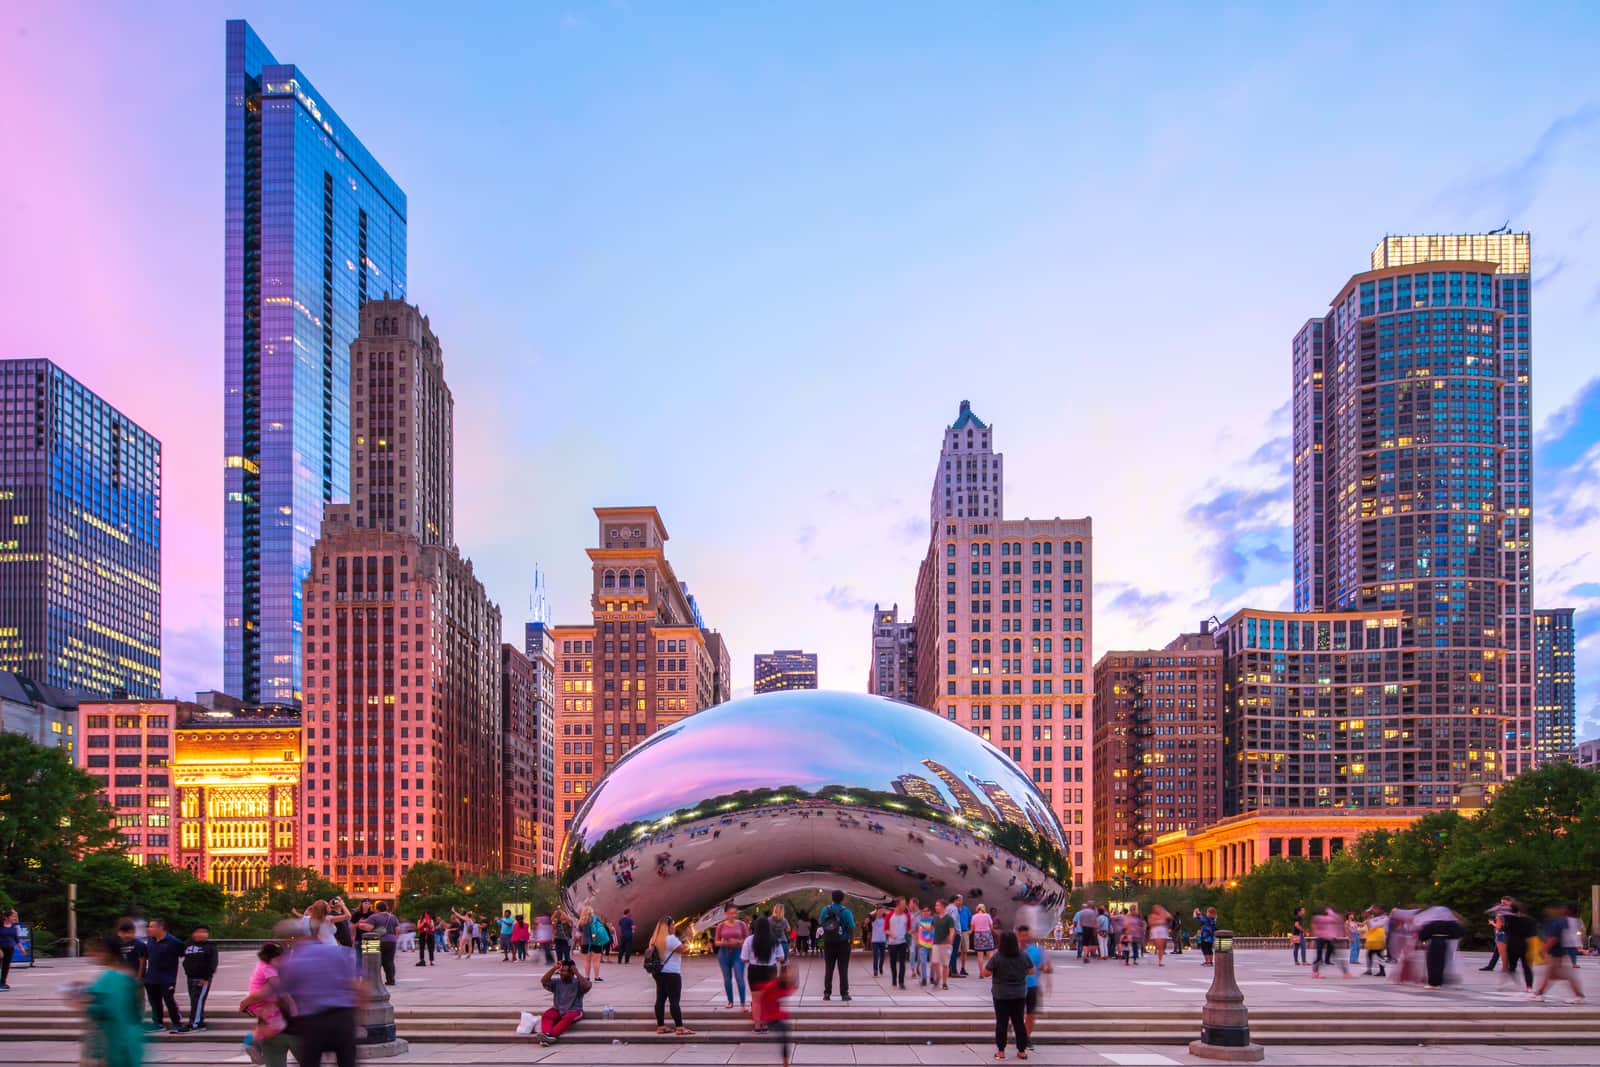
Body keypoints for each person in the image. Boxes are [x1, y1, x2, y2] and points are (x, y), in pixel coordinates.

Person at [277, 921, 364, 1067]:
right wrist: (358, 1017)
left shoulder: (291, 963)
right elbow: (361, 989)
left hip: (312, 1023)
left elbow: (281, 996)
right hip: (342, 1019)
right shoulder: (341, 953)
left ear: (291, 940)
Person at [77, 934, 144, 1067]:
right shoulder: (126, 975)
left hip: (112, 1040)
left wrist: (84, 1005)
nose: (91, 954)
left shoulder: (113, 977)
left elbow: (110, 1010)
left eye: (97, 951)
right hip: (124, 1040)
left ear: (109, 953)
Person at [239, 942, 296, 1067]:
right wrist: (291, 1003)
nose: (280, 962)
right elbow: (278, 987)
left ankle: (254, 1042)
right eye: (278, 960)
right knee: (276, 1026)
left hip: (262, 1002)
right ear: (267, 957)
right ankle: (251, 1042)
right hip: (262, 1002)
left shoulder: (264, 965)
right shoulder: (268, 969)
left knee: (269, 1026)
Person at [982, 930, 1033, 1060]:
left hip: (1001, 995)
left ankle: (1001, 1051)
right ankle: (1022, 1051)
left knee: (1002, 1023)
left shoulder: (997, 957)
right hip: (1019, 994)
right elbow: (1031, 971)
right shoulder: (1023, 956)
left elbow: (985, 973)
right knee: (1019, 1022)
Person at [645, 917, 695, 1036]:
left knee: (660, 999)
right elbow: (684, 950)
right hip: (672, 973)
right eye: (673, 924)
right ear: (667, 927)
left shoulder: (654, 939)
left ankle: (660, 1026)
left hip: (658, 972)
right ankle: (679, 1027)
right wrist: (688, 939)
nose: (674, 927)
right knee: (674, 1001)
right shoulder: (671, 939)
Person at [137, 917, 185, 1033]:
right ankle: (158, 1023)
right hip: (152, 977)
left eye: (152, 926)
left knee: (169, 1000)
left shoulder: (174, 942)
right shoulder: (151, 941)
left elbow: (183, 955)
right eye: (149, 926)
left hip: (167, 977)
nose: (149, 928)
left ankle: (177, 1024)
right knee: (154, 1002)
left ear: (161, 927)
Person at [1531, 903, 1585, 1004]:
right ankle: (1539, 993)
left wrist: (1544, 949)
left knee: (1559, 974)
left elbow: (1554, 938)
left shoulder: (1560, 921)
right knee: (1552, 974)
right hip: (1561, 951)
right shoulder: (1573, 921)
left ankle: (1578, 995)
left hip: (1557, 951)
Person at [743, 917, 782, 1034]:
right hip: (770, 970)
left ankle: (757, 1025)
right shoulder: (774, 940)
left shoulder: (749, 940)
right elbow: (781, 957)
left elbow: (744, 959)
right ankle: (765, 1025)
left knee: (756, 1000)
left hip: (754, 970)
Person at [537, 958, 590, 1046]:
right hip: (558, 1009)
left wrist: (576, 972)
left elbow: (587, 986)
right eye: (561, 971)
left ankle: (551, 1036)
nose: (561, 973)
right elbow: (544, 981)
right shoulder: (557, 982)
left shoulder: (578, 982)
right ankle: (547, 1035)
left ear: (571, 972)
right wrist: (554, 968)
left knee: (568, 1017)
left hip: (575, 1011)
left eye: (564, 971)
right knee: (547, 1014)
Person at [755, 964, 797, 1066]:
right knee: (785, 1035)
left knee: (785, 1037)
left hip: (779, 1017)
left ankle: (785, 1062)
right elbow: (762, 998)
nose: (789, 976)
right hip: (771, 1018)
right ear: (782, 974)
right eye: (787, 974)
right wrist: (762, 1017)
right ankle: (785, 1063)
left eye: (791, 974)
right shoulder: (772, 986)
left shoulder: (789, 985)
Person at [178, 923, 217, 1032]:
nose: (202, 934)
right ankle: (199, 1021)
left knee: (198, 1000)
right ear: (193, 934)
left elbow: (212, 963)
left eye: (204, 932)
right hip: (190, 977)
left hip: (202, 979)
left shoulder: (210, 947)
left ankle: (194, 1023)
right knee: (194, 1000)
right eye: (199, 932)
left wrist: (206, 978)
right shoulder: (188, 945)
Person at [819, 889, 856, 1002]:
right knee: (843, 969)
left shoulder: (825, 910)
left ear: (832, 898)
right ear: (842, 899)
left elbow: (821, 923)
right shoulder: (846, 911)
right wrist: (851, 940)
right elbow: (851, 927)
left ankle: (827, 993)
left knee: (829, 969)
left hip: (828, 943)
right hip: (843, 943)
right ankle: (844, 994)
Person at [1415, 906, 1465, 989]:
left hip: (1434, 943)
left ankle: (1433, 983)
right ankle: (1439, 982)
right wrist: (1449, 937)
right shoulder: (1450, 923)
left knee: (1432, 963)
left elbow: (1423, 934)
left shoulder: (1432, 923)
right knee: (1442, 963)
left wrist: (1423, 939)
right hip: (1445, 943)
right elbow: (1460, 932)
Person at [713, 904, 750, 1010]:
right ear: (726, 914)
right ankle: (730, 1001)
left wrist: (738, 941)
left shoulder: (742, 924)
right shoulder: (721, 926)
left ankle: (743, 1003)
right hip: (724, 954)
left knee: (739, 977)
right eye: (731, 913)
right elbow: (716, 942)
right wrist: (724, 943)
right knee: (727, 979)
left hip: (738, 953)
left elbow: (747, 940)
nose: (733, 915)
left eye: (735, 913)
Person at [1017, 924, 1052, 1036]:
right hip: (1016, 987)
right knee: (1017, 1013)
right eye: (1021, 936)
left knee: (1031, 1014)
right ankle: (1020, 1035)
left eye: (1026, 935)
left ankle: (1026, 1037)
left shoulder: (1036, 951)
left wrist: (1047, 973)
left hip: (1032, 986)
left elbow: (1045, 967)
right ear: (1017, 936)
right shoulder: (1012, 951)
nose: (1024, 938)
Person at [358, 900, 400, 986]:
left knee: (374, 961)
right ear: (386, 908)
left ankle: (374, 981)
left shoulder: (374, 917)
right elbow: (397, 929)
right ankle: (391, 980)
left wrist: (360, 925)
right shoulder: (393, 917)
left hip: (376, 941)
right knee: (389, 961)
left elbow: (369, 928)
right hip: (391, 941)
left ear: (377, 909)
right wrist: (394, 938)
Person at [1500, 900, 1537, 993]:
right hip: (1526, 945)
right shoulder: (1530, 920)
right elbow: (1533, 934)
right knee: (1527, 967)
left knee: (1512, 965)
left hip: (1512, 944)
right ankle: (1529, 987)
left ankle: (1514, 982)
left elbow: (1503, 929)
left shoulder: (1509, 919)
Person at [1310, 907, 1347, 979]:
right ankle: (1315, 972)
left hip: (1326, 938)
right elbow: (1337, 922)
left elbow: (1314, 927)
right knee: (1334, 955)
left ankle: (1315, 972)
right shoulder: (1329, 917)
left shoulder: (1319, 918)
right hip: (1326, 938)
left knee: (1321, 955)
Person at [887, 899, 911, 989]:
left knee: (902, 962)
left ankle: (901, 982)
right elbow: (885, 928)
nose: (905, 905)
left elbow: (908, 928)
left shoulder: (906, 916)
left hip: (902, 942)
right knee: (893, 962)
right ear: (898, 904)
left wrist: (910, 934)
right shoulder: (889, 915)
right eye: (903, 904)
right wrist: (891, 934)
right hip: (892, 943)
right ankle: (894, 978)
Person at [932, 898, 955, 990]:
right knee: (934, 962)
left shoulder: (949, 918)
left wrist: (950, 938)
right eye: (936, 905)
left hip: (946, 945)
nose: (936, 907)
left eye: (938, 905)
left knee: (945, 965)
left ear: (943, 907)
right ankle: (938, 976)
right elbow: (930, 928)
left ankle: (944, 983)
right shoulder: (935, 918)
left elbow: (952, 931)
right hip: (936, 943)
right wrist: (920, 925)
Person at [914, 902, 936, 987]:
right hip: (922, 945)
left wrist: (920, 924)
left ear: (930, 912)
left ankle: (932, 977)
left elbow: (930, 929)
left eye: (927, 911)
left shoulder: (933, 920)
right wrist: (916, 941)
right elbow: (915, 932)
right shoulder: (919, 921)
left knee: (933, 963)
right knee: (923, 962)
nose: (925, 912)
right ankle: (924, 979)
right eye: (923, 911)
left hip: (933, 945)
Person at [1363, 907, 1388, 977]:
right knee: (1370, 954)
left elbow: (1372, 926)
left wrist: (1368, 918)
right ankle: (1370, 970)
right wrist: (1367, 917)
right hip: (1373, 939)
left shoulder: (1385, 918)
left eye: (1377, 909)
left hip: (1379, 939)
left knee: (1379, 955)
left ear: (1382, 910)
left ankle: (1382, 971)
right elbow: (1367, 925)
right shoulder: (1376, 918)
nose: (1375, 910)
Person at [972, 903, 996, 974]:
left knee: (980, 956)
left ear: (977, 908)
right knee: (990, 955)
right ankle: (990, 972)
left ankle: (981, 973)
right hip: (987, 935)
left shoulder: (974, 916)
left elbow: (972, 928)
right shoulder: (987, 916)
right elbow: (991, 927)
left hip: (978, 936)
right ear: (984, 908)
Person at [0, 908, 19, 990]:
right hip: (1, 947)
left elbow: (16, 920)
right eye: (12, 916)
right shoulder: (1, 924)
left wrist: (16, 913)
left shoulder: (13, 926)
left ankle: (2, 983)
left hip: (9, 948)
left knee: (6, 966)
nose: (14, 918)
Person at [957, 895, 974, 977]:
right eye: (958, 900)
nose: (959, 901)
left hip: (964, 932)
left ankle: (963, 968)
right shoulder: (953, 910)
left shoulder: (966, 909)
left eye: (960, 900)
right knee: (955, 951)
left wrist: (971, 930)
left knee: (964, 951)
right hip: (956, 932)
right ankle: (953, 968)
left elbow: (972, 919)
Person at [869, 908, 888, 977]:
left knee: (882, 956)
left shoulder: (885, 919)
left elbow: (888, 915)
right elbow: (869, 915)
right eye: (879, 911)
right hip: (875, 941)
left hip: (883, 940)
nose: (880, 912)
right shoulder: (873, 919)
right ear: (876, 912)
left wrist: (883, 911)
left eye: (882, 911)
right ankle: (875, 970)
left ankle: (880, 967)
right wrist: (875, 910)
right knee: (876, 956)